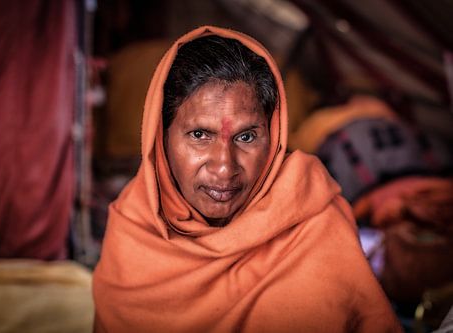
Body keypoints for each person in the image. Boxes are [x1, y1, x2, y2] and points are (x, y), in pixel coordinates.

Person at [93, 26, 402, 332]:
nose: (225, 168)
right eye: (200, 135)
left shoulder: (315, 220)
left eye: (246, 136)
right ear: (160, 137)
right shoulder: (135, 226)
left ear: (275, 135)